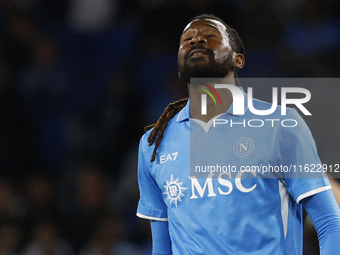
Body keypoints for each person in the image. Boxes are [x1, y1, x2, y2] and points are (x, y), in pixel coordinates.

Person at [136, 14, 340, 254]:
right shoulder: (153, 145)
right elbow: (161, 247)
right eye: (187, 39)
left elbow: (329, 223)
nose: (196, 40)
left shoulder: (280, 124)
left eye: (210, 36)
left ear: (238, 59)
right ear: (179, 67)